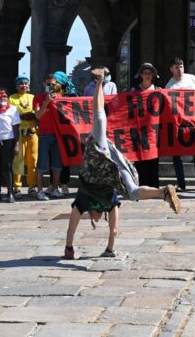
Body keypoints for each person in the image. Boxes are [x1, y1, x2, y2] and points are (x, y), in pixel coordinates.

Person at [63, 67, 181, 260]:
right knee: (133, 191)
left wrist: (69, 249)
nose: (96, 219)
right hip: (112, 167)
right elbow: (115, 230)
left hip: (98, 156)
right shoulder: (109, 203)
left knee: (99, 117)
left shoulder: (83, 200)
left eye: (96, 219)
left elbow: (72, 226)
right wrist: (108, 250)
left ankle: (100, 81)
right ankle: (163, 192)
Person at [164, 57, 195, 192]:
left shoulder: (191, 78)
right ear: (171, 69)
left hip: (193, 121)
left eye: (181, 66)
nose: (179, 69)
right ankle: (181, 184)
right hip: (179, 124)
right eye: (176, 67)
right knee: (176, 154)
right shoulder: (169, 86)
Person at [33, 73, 68, 200]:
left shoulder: (60, 97)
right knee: (41, 163)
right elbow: (38, 116)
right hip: (43, 135)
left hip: (57, 134)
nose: (51, 87)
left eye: (53, 84)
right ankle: (40, 191)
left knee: (57, 164)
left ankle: (55, 188)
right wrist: (46, 102)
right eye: (49, 84)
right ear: (44, 84)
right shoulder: (37, 98)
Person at [129, 63, 161, 188]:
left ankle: (154, 187)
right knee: (140, 158)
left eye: (149, 73)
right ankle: (142, 187)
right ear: (141, 75)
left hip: (153, 131)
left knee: (153, 158)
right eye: (145, 73)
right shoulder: (134, 90)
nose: (147, 75)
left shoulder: (158, 90)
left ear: (153, 75)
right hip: (138, 130)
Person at [10, 75, 38, 198]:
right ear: (16, 86)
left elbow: (37, 112)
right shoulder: (12, 98)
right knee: (18, 160)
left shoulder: (33, 97)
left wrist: (33, 116)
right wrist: (22, 117)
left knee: (33, 160)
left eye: (26, 83)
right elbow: (11, 114)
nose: (24, 86)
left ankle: (32, 186)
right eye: (21, 83)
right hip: (19, 133)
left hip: (32, 132)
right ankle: (17, 187)